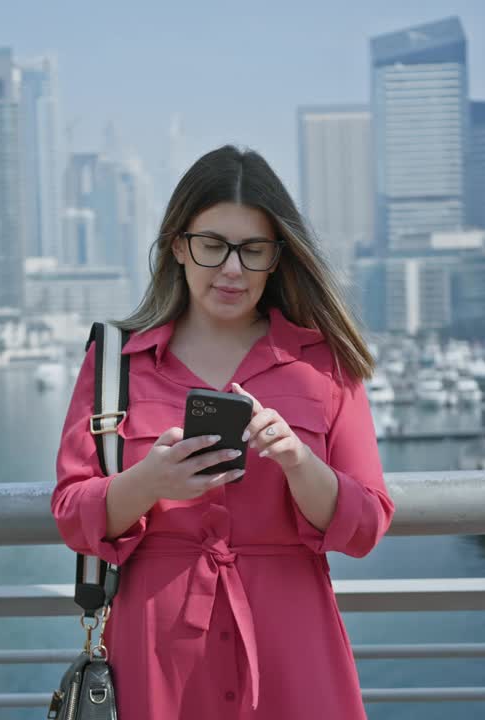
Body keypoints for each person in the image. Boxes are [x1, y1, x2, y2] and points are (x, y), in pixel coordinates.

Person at [53, 145, 394, 719]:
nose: (232, 269)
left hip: (293, 650)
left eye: (253, 250)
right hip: (155, 659)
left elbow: (366, 526)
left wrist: (297, 462)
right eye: (213, 246)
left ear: (278, 258)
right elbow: (70, 512)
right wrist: (149, 480)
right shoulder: (115, 362)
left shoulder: (325, 363)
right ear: (178, 246)